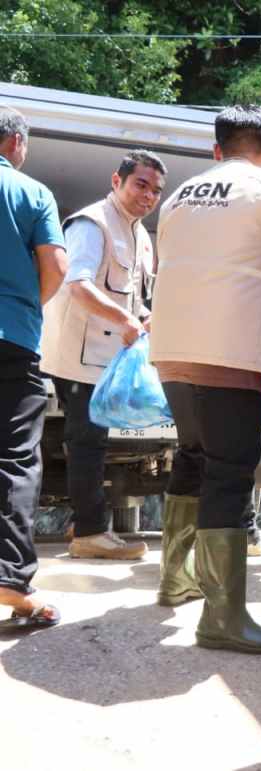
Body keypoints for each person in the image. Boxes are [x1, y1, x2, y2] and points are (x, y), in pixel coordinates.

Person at [149, 105, 261, 654]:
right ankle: (223, 618)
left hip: (172, 351)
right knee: (229, 475)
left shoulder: (181, 196)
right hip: (231, 355)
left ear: (216, 150)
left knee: (195, 457)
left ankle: (174, 578)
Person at [40, 149, 167, 560]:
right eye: (141, 184)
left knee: (92, 441)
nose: (148, 196)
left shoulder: (140, 234)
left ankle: (86, 524)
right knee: (88, 442)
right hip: (75, 357)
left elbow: (133, 299)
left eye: (156, 190)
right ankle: (91, 533)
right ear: (118, 181)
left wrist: (147, 319)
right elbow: (78, 284)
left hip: (107, 358)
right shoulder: (92, 223)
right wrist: (127, 321)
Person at [0, 105, 68, 628]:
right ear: (15, 144)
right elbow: (56, 268)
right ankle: (8, 577)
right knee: (16, 458)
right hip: (12, 339)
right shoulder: (30, 192)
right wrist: (28, 306)